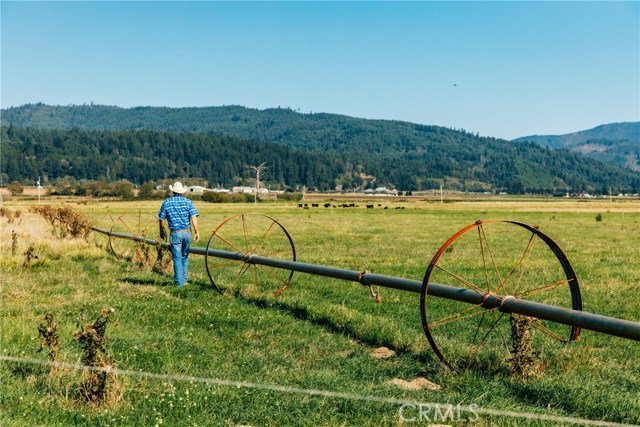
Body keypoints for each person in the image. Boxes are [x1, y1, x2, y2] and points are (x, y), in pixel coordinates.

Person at [158, 182, 200, 287]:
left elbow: (161, 219)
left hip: (175, 233)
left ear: (172, 191)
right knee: (184, 256)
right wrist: (197, 231)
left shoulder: (166, 203)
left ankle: (179, 283)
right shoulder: (188, 202)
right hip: (187, 232)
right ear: (182, 192)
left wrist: (161, 231)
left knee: (177, 257)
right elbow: (194, 217)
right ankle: (184, 280)